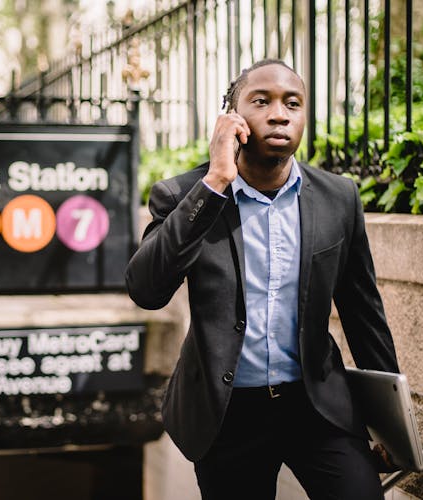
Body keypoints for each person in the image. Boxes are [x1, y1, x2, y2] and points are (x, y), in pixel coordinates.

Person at [125, 59, 400, 499]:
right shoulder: (184, 195)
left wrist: (392, 424)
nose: (279, 113)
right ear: (231, 118)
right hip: (226, 414)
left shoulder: (338, 198)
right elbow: (146, 289)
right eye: (261, 101)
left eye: (293, 102)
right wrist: (216, 181)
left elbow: (364, 312)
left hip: (317, 407)